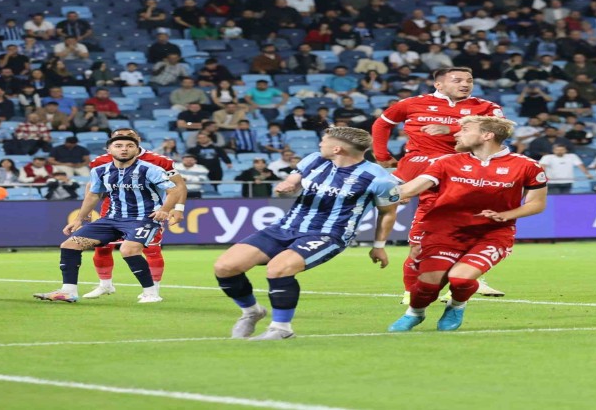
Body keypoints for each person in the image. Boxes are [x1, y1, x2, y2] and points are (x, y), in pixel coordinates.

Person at [214, 127, 399, 340]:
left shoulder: (379, 178)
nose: (320, 144)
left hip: (328, 234)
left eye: (324, 141)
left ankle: (281, 329)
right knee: (225, 267)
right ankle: (251, 312)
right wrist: (286, 186)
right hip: (285, 226)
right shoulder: (314, 159)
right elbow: (294, 180)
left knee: (279, 269)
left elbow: (388, 212)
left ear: (337, 149)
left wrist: (379, 246)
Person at [387, 116, 548, 333]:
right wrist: (379, 193)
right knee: (427, 285)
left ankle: (456, 306)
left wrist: (505, 215)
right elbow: (410, 188)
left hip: (492, 234)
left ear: (487, 135)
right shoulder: (446, 162)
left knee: (460, 279)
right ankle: (415, 313)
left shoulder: (527, 166)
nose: (456, 133)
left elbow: (537, 204)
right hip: (445, 232)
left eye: (464, 129)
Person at [371, 66, 507, 305]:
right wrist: (382, 155)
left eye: (469, 80)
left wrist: (450, 129)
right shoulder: (412, 103)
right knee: (425, 235)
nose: (465, 84)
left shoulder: (485, 107)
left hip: (465, 170)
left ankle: (466, 278)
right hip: (423, 164)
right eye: (457, 80)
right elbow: (381, 124)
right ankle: (414, 289)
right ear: (439, 84)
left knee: (472, 229)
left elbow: (500, 131)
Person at [33, 135, 180, 304]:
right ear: (109, 150)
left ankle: (151, 293)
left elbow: (174, 191)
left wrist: (164, 210)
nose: (124, 149)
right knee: (70, 245)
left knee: (128, 250)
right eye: (118, 145)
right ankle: (68, 292)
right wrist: (79, 219)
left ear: (137, 150)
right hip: (111, 219)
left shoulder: (150, 169)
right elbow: (94, 195)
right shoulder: (100, 171)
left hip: (143, 218)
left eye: (129, 145)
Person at [83, 128, 188, 301]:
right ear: (111, 143)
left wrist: (178, 209)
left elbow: (179, 185)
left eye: (130, 137)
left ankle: (153, 289)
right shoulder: (101, 161)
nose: (124, 142)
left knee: (151, 249)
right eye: (118, 139)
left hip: (147, 212)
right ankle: (105, 285)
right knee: (102, 247)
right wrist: (86, 210)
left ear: (138, 139)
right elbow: (92, 186)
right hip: (111, 211)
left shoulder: (159, 160)